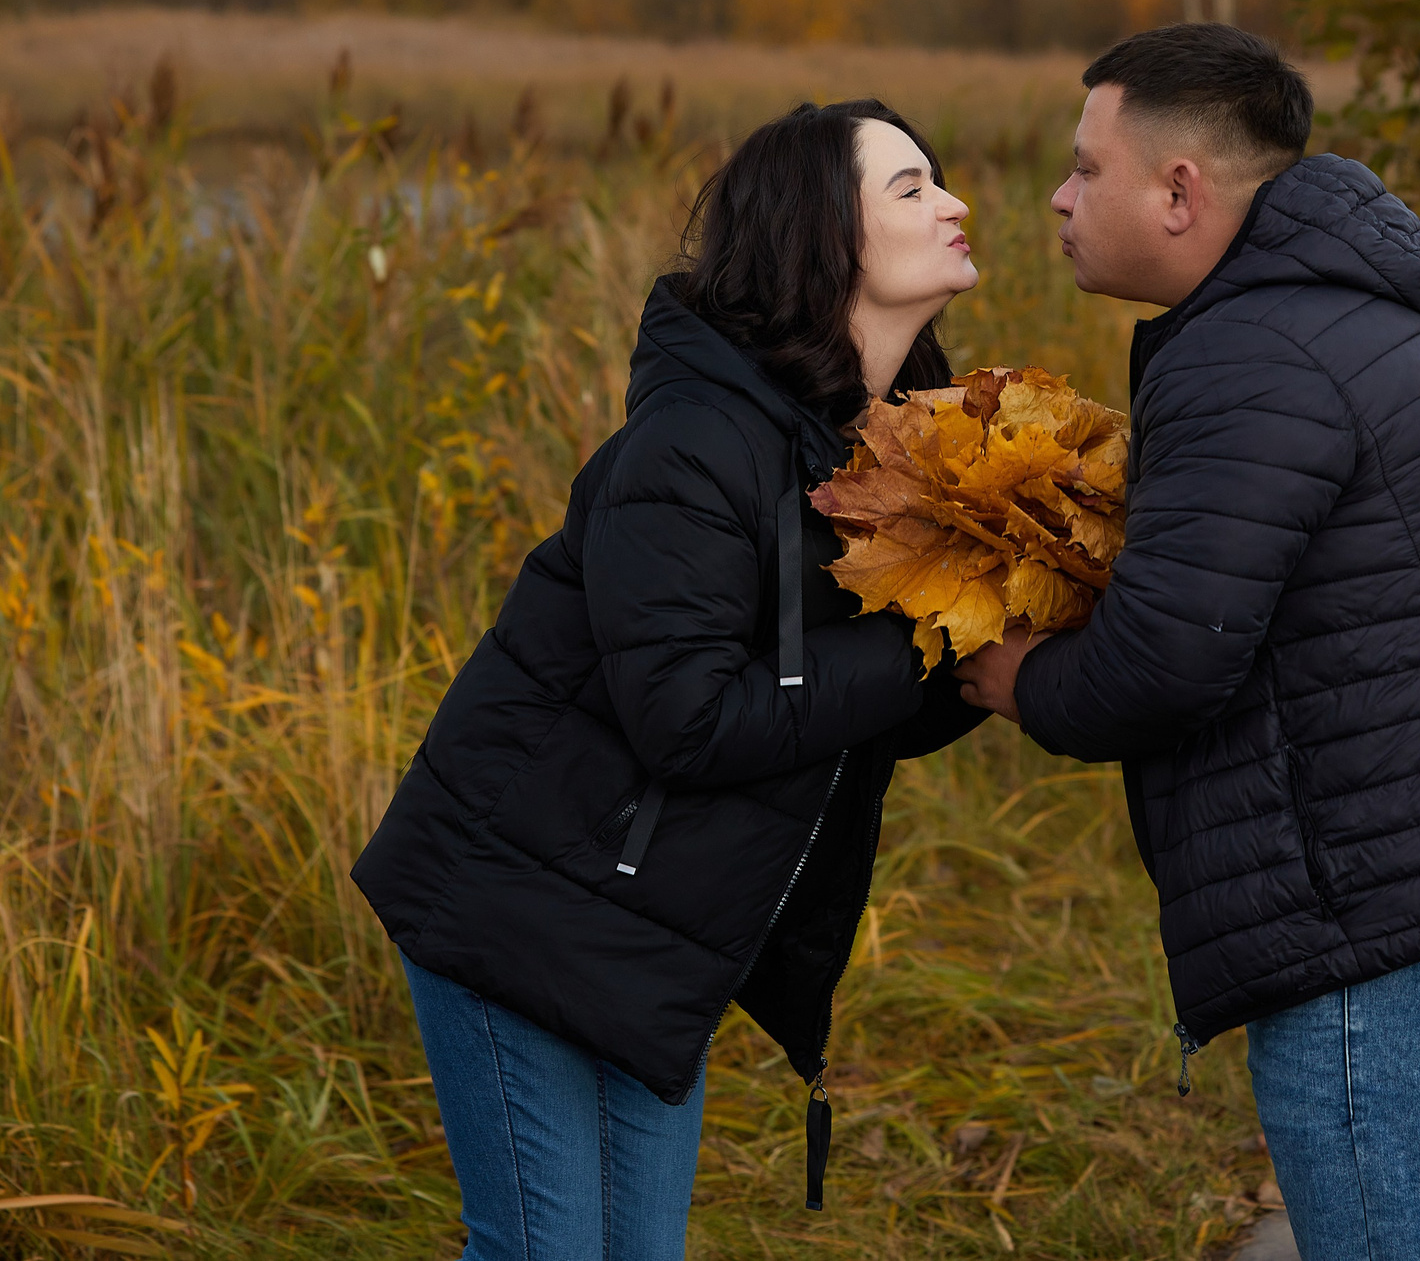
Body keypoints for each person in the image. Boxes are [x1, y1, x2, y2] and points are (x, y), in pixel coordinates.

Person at [956, 23, 1420, 1261]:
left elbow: (1168, 659)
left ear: (1179, 189)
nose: (1057, 195)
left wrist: (1021, 678)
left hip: (1391, 925)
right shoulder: (1335, 305)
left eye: (1085, 168)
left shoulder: (1251, 354)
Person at [355, 99, 989, 1261]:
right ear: (819, 236)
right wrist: (930, 643)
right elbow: (689, 721)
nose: (953, 202)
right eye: (910, 188)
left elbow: (836, 716)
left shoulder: (870, 453)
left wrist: (976, 661)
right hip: (520, 897)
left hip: (651, 924)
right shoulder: (697, 445)